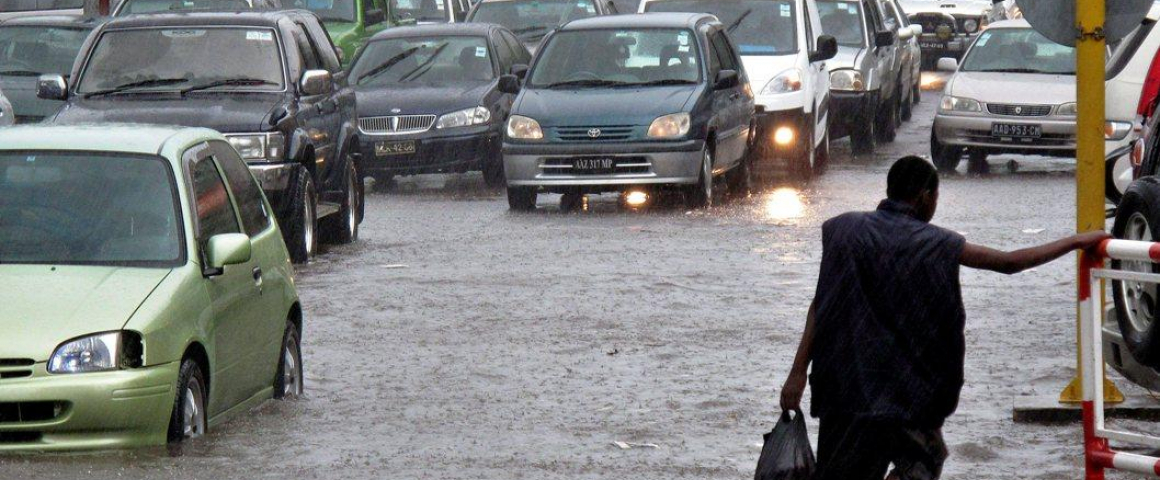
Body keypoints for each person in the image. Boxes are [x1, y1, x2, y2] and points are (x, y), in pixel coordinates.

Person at [778, 156, 1110, 480]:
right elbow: (1009, 262)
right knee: (926, 458)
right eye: (935, 198)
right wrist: (1075, 241)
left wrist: (797, 374)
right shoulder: (938, 243)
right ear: (925, 196)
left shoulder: (843, 230)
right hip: (906, 395)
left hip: (845, 392)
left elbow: (821, 304)